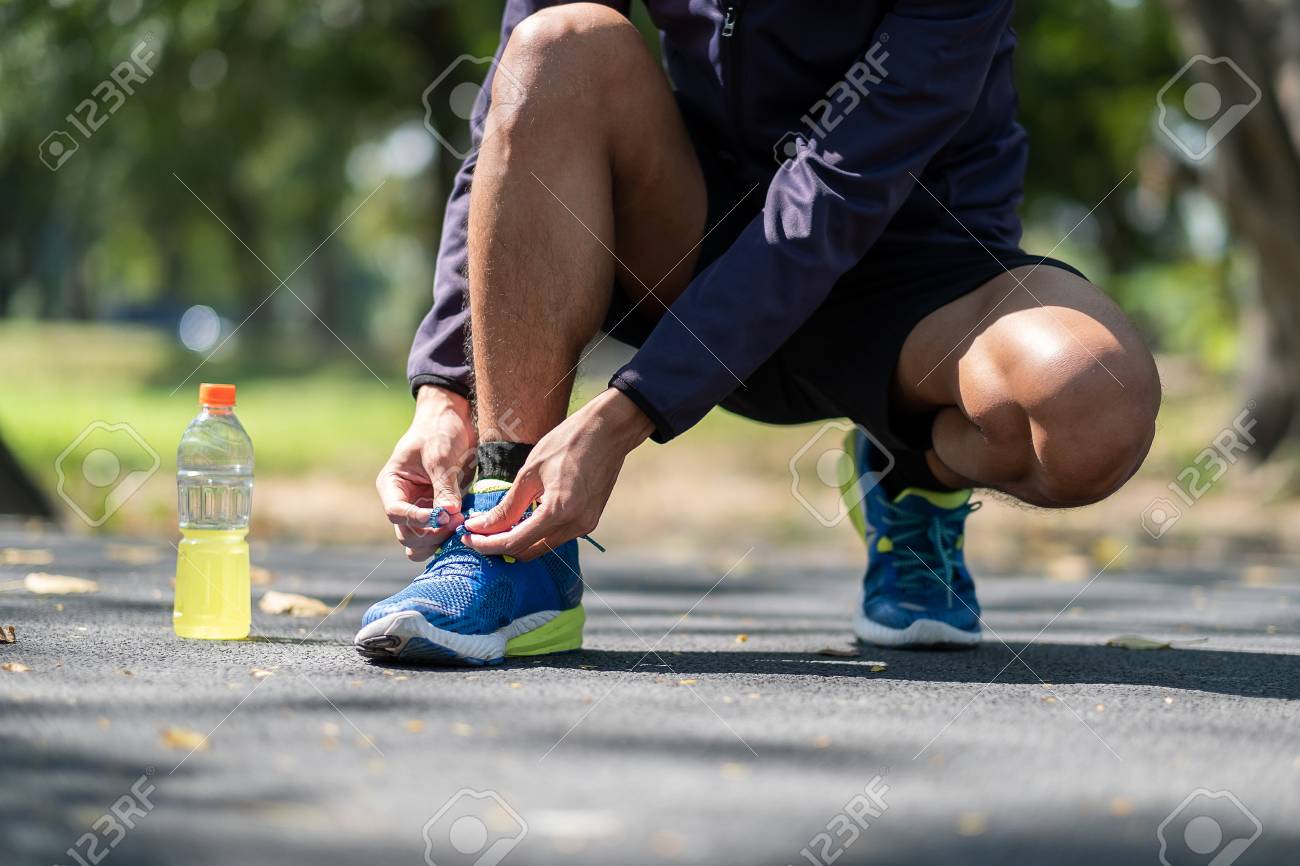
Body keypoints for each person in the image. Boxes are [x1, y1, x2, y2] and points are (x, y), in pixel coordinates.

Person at [354, 1, 1160, 664]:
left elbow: (832, 190)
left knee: (1092, 403)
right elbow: (511, 123)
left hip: (919, 282)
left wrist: (628, 410)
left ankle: (916, 471)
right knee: (555, 43)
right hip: (698, 247)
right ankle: (511, 538)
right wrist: (445, 389)